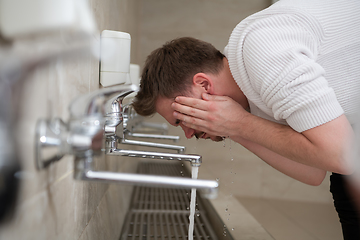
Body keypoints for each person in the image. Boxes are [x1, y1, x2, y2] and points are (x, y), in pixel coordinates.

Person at [132, 0, 360, 239]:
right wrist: (236, 128)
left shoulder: (263, 51)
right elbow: (314, 172)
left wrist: (240, 123)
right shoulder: (250, 92)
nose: (188, 134)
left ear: (203, 84)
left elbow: (342, 156)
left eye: (181, 117)